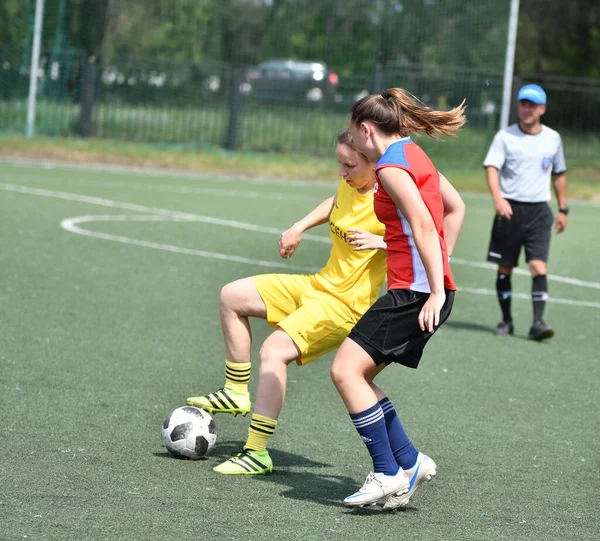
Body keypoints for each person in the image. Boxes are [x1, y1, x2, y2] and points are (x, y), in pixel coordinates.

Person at [187, 129, 465, 477]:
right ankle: (235, 391)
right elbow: (335, 201)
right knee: (232, 295)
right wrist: (299, 226)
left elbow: (422, 231)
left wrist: (381, 242)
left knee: (274, 351)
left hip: (344, 306)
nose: (342, 172)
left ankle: (256, 452)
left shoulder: (390, 190)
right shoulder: (350, 185)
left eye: (349, 165)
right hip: (318, 286)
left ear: (372, 160)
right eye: (339, 163)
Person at [329, 88, 466, 509]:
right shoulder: (413, 153)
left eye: (352, 136)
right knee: (362, 376)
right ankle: (409, 461)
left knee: (345, 371)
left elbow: (426, 226)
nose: (351, 143)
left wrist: (435, 288)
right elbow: (455, 208)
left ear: (366, 129)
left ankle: (387, 473)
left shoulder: (389, 167)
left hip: (415, 294)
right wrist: (437, 269)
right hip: (422, 289)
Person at [484, 83, 568, 340]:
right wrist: (498, 199)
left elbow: (559, 174)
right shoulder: (505, 137)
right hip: (510, 210)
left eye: (532, 105)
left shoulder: (553, 138)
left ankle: (538, 323)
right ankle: (507, 321)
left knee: (538, 266)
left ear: (542, 109)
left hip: (539, 212)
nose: (527, 109)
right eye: (523, 104)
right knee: (505, 268)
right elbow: (491, 168)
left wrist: (563, 209)